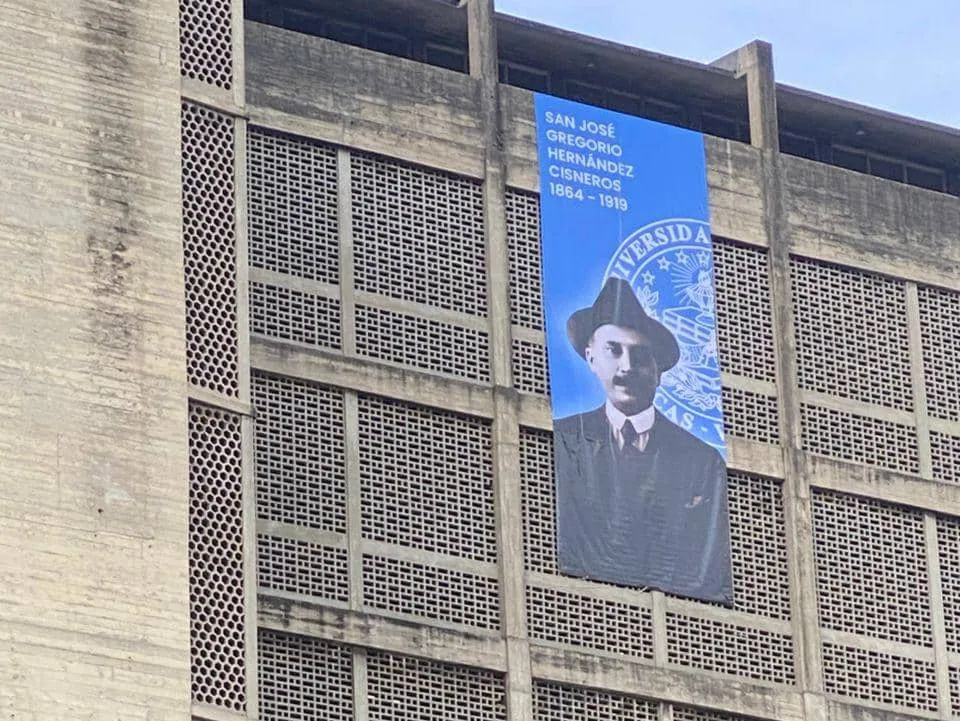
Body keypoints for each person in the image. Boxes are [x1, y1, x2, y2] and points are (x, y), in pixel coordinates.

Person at [553, 277, 733, 603]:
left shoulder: (700, 461)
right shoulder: (565, 441)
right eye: (614, 350)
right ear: (591, 358)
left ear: (658, 371)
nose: (627, 366)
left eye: (639, 355)